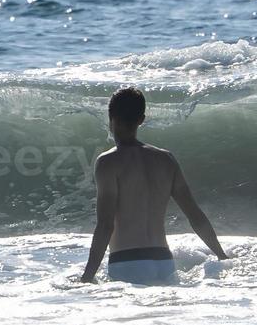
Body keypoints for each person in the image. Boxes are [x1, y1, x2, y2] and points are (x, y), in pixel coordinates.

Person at [80, 87, 228, 285]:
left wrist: (87, 276)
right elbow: (195, 215)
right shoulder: (166, 159)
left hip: (127, 263)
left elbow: (106, 225)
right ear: (141, 119)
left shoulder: (108, 162)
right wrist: (221, 256)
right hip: (164, 262)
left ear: (110, 117)